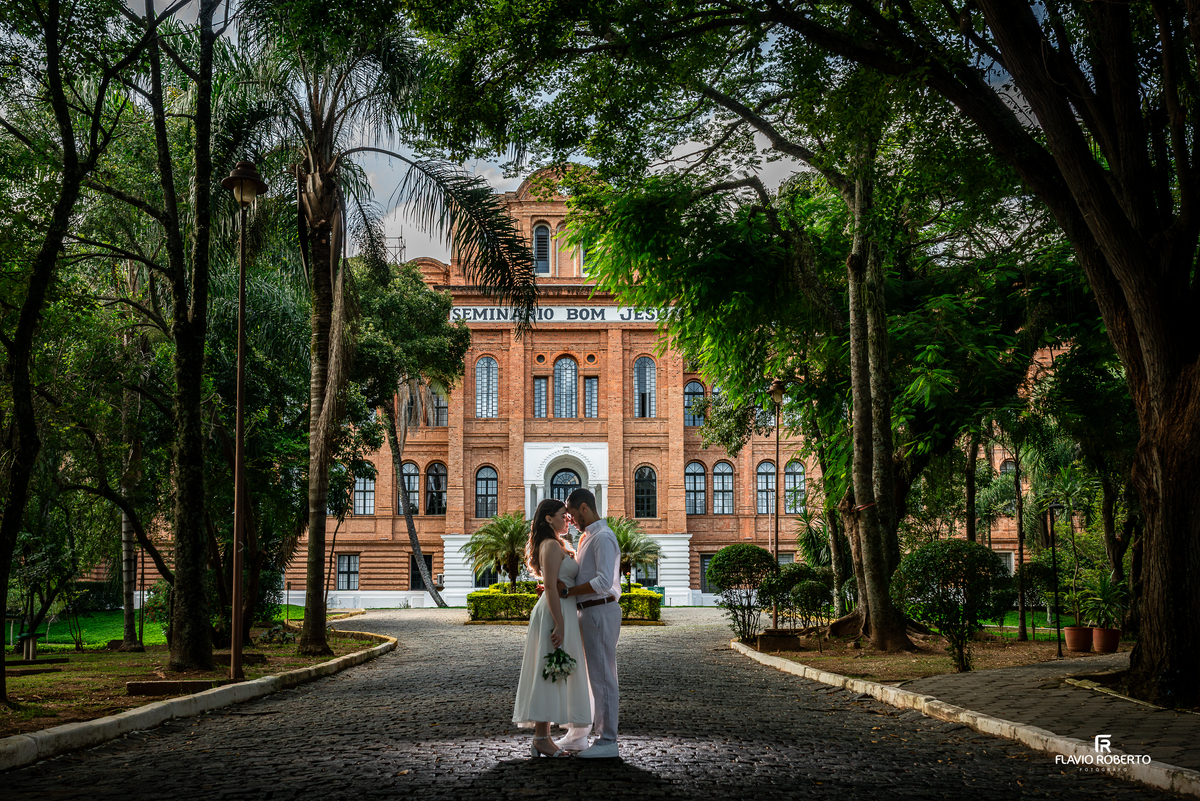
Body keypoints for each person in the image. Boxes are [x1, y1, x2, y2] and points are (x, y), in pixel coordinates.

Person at [512, 498, 592, 757]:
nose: (567, 519)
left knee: (553, 669)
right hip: (554, 615)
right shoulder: (550, 546)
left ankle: (543, 737)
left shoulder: (557, 545)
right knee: (548, 669)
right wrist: (559, 623)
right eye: (562, 515)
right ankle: (540, 738)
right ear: (548, 518)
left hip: (559, 611)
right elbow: (549, 587)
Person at [555, 488, 621, 759]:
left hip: (600, 611)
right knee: (586, 676)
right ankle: (580, 733)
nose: (570, 520)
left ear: (584, 508)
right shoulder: (587, 537)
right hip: (587, 612)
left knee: (603, 677)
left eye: (571, 514)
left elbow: (604, 582)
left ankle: (607, 740)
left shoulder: (603, 537)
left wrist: (567, 592)